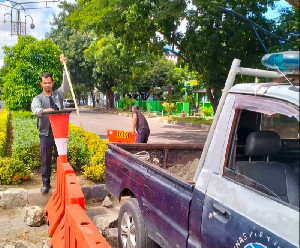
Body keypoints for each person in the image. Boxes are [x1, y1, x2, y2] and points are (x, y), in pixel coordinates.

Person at [31, 54, 69, 194]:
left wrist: (64, 68)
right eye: (44, 83)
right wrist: (44, 110)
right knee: (46, 160)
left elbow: (66, 85)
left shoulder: (58, 94)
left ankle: (62, 183)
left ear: (52, 83)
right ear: (41, 84)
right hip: (45, 133)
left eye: (49, 82)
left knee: (61, 158)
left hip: (60, 133)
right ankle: (45, 184)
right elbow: (35, 110)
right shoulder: (38, 98)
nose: (47, 85)